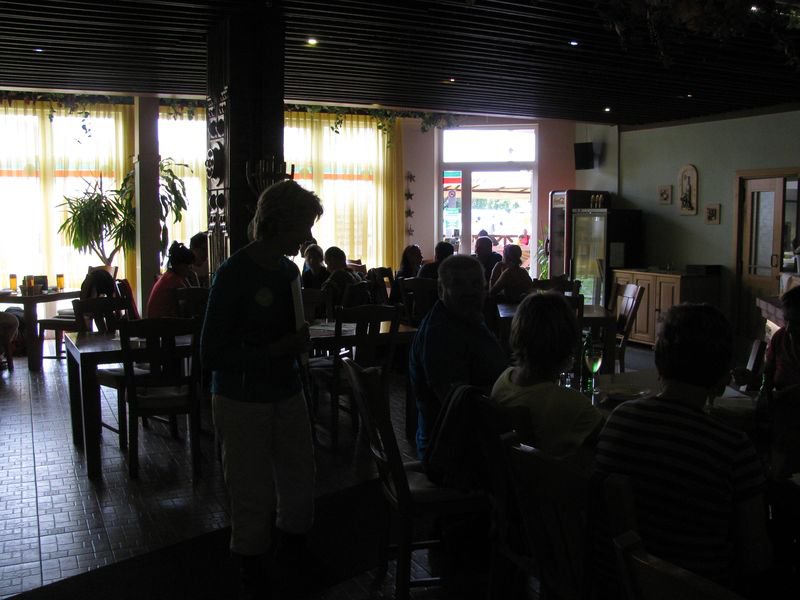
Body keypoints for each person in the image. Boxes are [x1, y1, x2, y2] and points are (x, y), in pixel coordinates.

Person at [594, 303, 772, 590]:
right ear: (722, 375)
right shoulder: (734, 449)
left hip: (622, 585)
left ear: (659, 361)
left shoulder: (619, 420)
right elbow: (756, 559)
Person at [200, 179, 322, 597]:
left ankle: (292, 548)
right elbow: (212, 353)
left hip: (286, 389)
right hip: (240, 398)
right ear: (277, 222)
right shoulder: (233, 274)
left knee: (300, 474)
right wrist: (276, 350)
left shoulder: (288, 271)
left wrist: (294, 346)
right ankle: (251, 565)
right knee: (249, 485)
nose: (307, 236)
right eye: (302, 225)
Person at [409, 254, 507, 459]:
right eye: (459, 284)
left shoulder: (466, 318)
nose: (469, 291)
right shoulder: (440, 333)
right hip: (452, 452)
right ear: (440, 290)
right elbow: (458, 405)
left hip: (473, 438)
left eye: (475, 283)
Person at [492, 292, 602, 457]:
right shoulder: (574, 405)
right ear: (568, 342)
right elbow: (611, 439)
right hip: (555, 473)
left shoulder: (503, 382)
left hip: (516, 469)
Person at [762, 286, 800, 393]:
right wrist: (751, 379)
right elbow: (767, 379)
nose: (788, 329)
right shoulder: (780, 338)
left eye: (797, 323)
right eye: (786, 320)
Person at [146, 241, 195, 318]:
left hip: (155, 322)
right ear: (181, 265)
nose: (191, 269)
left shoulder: (169, 276)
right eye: (189, 266)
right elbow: (191, 303)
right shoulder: (174, 281)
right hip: (162, 324)